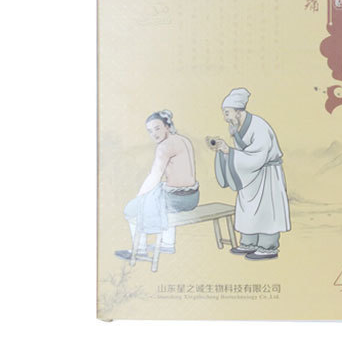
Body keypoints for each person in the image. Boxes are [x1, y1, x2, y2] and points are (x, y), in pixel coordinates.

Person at [211, 88, 291, 260]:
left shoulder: (259, 126)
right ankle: (248, 243)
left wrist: (230, 152)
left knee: (266, 211)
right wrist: (226, 152)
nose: (225, 118)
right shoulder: (237, 127)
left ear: (238, 111)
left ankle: (267, 247)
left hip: (266, 175)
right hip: (250, 177)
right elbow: (244, 154)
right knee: (247, 209)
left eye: (227, 113)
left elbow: (258, 157)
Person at [115, 110, 199, 261]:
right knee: (159, 196)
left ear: (167, 126)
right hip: (193, 197)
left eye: (157, 128)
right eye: (150, 131)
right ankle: (167, 244)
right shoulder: (184, 140)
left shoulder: (165, 146)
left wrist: (140, 197)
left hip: (176, 200)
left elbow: (154, 176)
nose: (154, 134)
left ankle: (139, 250)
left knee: (131, 210)